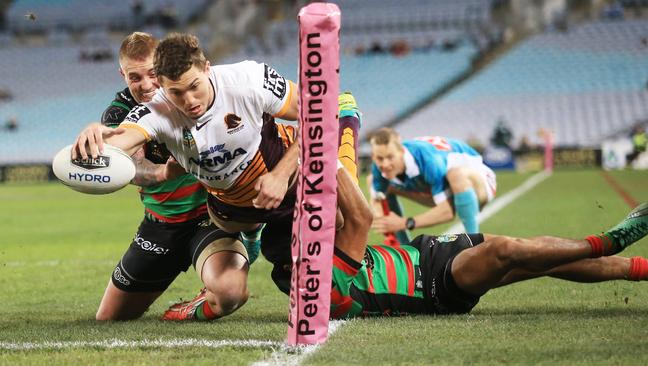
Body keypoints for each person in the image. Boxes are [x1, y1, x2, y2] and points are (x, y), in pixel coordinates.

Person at [72, 33, 362, 319]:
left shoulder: (247, 79)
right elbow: (121, 147)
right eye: (175, 93)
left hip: (241, 204)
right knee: (108, 318)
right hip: (192, 217)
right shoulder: (151, 110)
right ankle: (249, 236)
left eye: (193, 87)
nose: (188, 101)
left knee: (334, 224)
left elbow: (320, 112)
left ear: (206, 68)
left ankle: (254, 239)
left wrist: (281, 174)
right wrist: (97, 139)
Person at [331, 154, 648, 318]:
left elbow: (342, 214)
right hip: (434, 288)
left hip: (430, 252)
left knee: (543, 258)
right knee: (507, 250)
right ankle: (606, 242)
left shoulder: (324, 245)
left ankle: (640, 269)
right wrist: (338, 137)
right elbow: (359, 217)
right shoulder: (323, 288)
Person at [95, 32, 245, 322]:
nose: (147, 85)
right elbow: (130, 168)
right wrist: (164, 171)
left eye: (152, 73)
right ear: (122, 75)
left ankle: (197, 306)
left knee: (229, 293)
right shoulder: (118, 114)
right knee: (109, 319)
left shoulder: (188, 94)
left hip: (210, 217)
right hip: (161, 225)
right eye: (134, 77)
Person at [367, 128, 496, 237]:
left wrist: (405, 222)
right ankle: (403, 249)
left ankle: (473, 242)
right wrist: (382, 221)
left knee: (456, 175)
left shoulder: (429, 161)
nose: (385, 164)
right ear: (374, 156)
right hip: (443, 190)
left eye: (390, 157)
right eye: (379, 158)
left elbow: (448, 212)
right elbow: (377, 199)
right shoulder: (379, 167)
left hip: (479, 182)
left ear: (401, 151)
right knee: (372, 180)